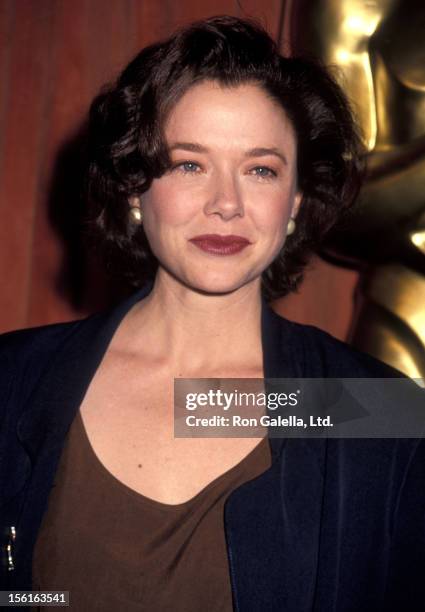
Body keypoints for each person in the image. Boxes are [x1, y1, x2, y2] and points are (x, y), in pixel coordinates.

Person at [0, 15, 424, 612]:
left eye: (260, 169)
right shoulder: (14, 381)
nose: (226, 204)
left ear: (295, 201)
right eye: (188, 164)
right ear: (134, 190)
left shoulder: (372, 407)